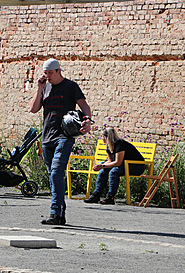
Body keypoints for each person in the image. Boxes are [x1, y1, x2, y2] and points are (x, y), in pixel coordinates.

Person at [29, 58, 92, 225]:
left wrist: (87, 120)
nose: (47, 76)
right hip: (47, 137)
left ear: (58, 71)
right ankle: (60, 215)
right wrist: (39, 88)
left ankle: (54, 212)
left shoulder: (70, 86)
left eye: (50, 73)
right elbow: (34, 109)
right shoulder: (45, 86)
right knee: (53, 175)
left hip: (64, 135)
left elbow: (84, 106)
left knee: (56, 171)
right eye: (45, 73)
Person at [84, 127, 145, 205]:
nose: (101, 138)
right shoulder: (108, 145)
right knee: (103, 171)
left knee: (114, 171)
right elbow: (110, 161)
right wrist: (101, 165)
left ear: (107, 137)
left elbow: (117, 163)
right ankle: (96, 195)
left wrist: (103, 166)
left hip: (136, 166)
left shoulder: (120, 144)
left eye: (102, 136)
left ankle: (110, 197)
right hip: (123, 165)